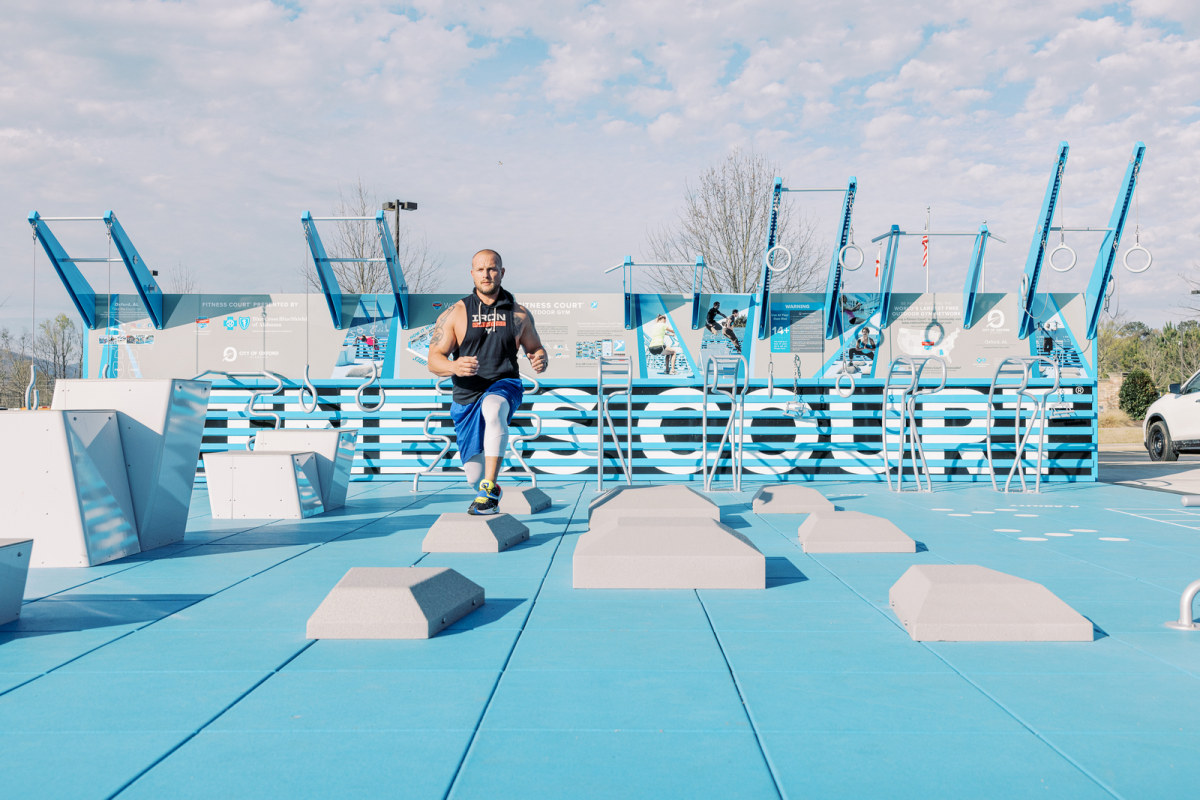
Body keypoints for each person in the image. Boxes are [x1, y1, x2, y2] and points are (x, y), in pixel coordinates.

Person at [427, 249, 548, 515]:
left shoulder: (519, 314)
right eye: (480, 269)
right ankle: (485, 485)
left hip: (504, 384)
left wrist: (540, 358)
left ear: (501, 273)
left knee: (493, 409)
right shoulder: (455, 313)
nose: (486, 274)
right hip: (466, 395)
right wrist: (453, 366)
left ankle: (490, 487)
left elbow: (536, 348)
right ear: (472, 274)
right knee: (473, 477)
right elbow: (434, 360)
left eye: (492, 269)